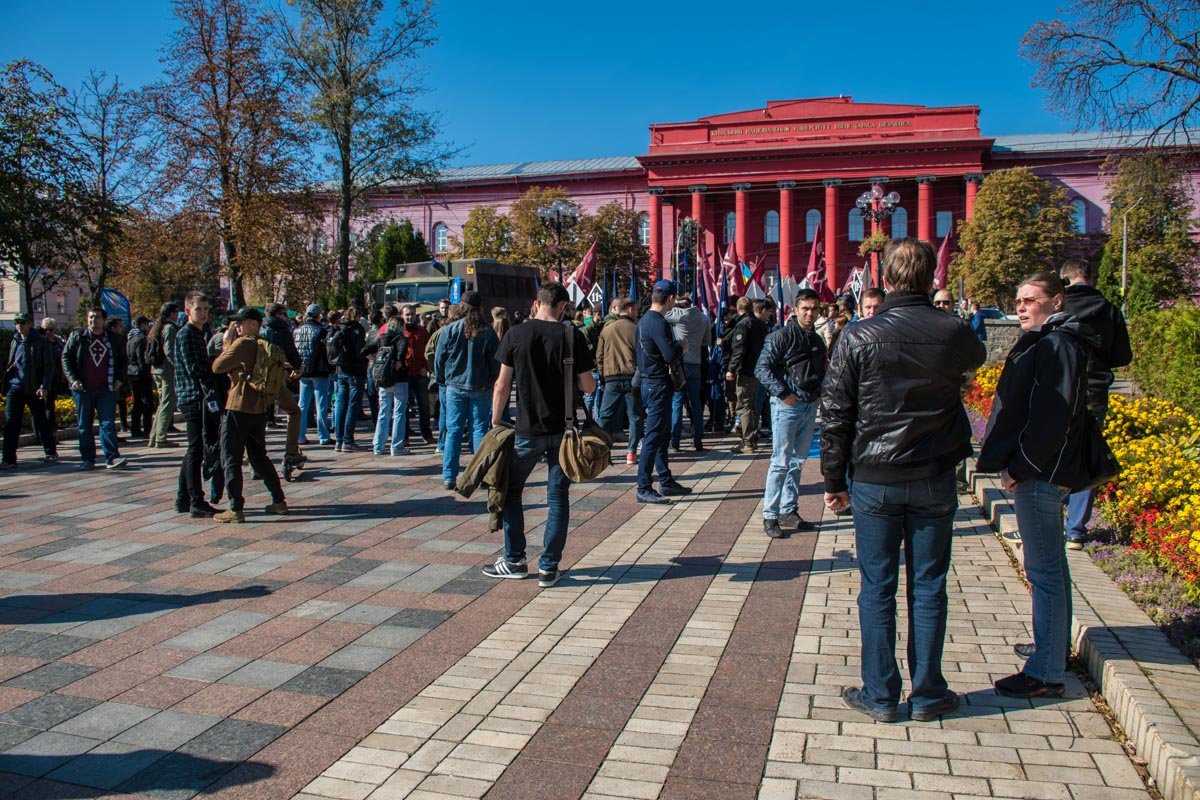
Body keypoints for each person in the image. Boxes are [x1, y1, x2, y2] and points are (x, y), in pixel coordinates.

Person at [821, 238, 986, 723]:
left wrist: (833, 479)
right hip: (933, 472)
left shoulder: (858, 335)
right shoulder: (953, 331)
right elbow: (975, 359)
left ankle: (880, 695)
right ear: (932, 278)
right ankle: (928, 694)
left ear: (887, 280)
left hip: (876, 476)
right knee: (929, 585)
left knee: (877, 587)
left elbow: (836, 413)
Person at [977, 271, 1097, 699]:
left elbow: (1050, 418)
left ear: (1056, 302)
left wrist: (1020, 467)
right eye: (1018, 300)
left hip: (1042, 475)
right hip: (1043, 471)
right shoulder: (1050, 341)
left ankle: (1046, 672)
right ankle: (1052, 650)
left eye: (1031, 299)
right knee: (1051, 567)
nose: (1021, 306)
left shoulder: (1056, 344)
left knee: (1043, 570)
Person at [483, 282, 595, 587]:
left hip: (527, 428)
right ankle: (548, 567)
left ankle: (515, 560)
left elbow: (501, 385)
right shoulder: (572, 336)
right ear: (562, 306)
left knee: (511, 490)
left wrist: (496, 418)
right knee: (557, 497)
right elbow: (588, 386)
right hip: (564, 430)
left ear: (537, 302)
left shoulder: (515, 334)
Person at [1061, 258, 1132, 549]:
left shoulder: (1057, 306)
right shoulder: (1110, 310)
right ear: (1091, 278)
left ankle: (1047, 519)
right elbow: (1123, 356)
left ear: (1064, 278)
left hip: (1059, 391)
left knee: (1051, 453)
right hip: (1094, 392)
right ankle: (1075, 531)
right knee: (1087, 454)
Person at [755, 289, 826, 538]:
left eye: (814, 309)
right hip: (786, 405)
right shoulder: (781, 336)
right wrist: (783, 392)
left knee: (797, 461)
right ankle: (770, 514)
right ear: (795, 310)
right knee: (781, 462)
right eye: (805, 308)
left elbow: (820, 371)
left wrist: (818, 393)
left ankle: (788, 509)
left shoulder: (817, 340)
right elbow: (762, 368)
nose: (809, 313)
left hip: (808, 404)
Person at [211, 307, 289, 523]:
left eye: (241, 322)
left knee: (231, 457)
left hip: (238, 406)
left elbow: (217, 366)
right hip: (258, 408)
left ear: (254, 324)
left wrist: (228, 342)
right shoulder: (264, 345)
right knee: (259, 457)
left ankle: (235, 508)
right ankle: (279, 500)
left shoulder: (243, 343)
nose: (237, 325)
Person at [435, 292, 500, 490]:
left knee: (453, 431)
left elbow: (439, 358)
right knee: (479, 430)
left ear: (461, 306)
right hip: (480, 385)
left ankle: (449, 476)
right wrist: (492, 380)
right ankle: (479, 475)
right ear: (480, 308)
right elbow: (495, 362)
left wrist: (442, 379)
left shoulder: (450, 329)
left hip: (455, 385)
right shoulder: (487, 331)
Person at [635, 280, 692, 505]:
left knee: (661, 435)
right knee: (653, 437)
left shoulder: (643, 320)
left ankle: (665, 480)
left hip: (650, 382)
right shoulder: (657, 321)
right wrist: (682, 347)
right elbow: (669, 354)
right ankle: (643, 486)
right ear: (670, 298)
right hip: (657, 383)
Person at [62, 307, 129, 471]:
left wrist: (120, 379)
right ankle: (87, 459)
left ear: (104, 320)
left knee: (107, 423)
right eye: (91, 317)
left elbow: (123, 360)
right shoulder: (78, 336)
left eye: (97, 317)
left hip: (106, 387)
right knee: (84, 424)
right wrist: (73, 379)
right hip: (83, 389)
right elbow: (66, 357)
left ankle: (112, 458)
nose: (93, 320)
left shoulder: (113, 338)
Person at [173, 291, 219, 515]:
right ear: (187, 311)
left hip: (196, 395)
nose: (203, 314)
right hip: (192, 396)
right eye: (198, 309)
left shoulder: (200, 333)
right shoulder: (187, 334)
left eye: (205, 309)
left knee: (194, 448)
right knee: (196, 450)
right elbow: (195, 368)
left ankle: (183, 498)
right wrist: (216, 367)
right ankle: (196, 500)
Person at [2, 313, 58, 469]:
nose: (19, 325)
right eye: (16, 322)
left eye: (22, 322)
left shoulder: (41, 342)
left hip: (34, 388)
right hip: (15, 387)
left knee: (42, 421)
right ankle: (8, 459)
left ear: (30, 324)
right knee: (11, 423)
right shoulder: (15, 340)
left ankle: (50, 452)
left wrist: (44, 386)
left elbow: (48, 367)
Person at [595, 297, 641, 466]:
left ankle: (602, 451)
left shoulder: (607, 330)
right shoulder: (636, 329)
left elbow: (599, 356)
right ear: (630, 310)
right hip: (632, 378)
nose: (637, 313)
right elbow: (642, 355)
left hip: (611, 378)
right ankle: (631, 452)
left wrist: (602, 375)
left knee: (605, 416)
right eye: (636, 310)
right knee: (635, 417)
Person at [665, 293, 712, 453]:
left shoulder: (677, 315)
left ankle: (675, 441)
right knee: (696, 402)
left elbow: (661, 313)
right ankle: (697, 439)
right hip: (696, 362)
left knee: (677, 402)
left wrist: (675, 303)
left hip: (680, 363)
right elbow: (706, 342)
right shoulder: (704, 318)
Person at [262, 303, 305, 477]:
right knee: (294, 412)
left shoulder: (259, 329)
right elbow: (291, 350)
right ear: (278, 315)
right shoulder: (281, 330)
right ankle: (291, 452)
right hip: (275, 379)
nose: (287, 318)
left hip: (258, 380)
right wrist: (297, 367)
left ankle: (254, 458)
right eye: (284, 314)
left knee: (257, 417)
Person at [365, 306, 411, 456]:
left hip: (383, 378)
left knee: (383, 412)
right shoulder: (401, 338)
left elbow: (363, 350)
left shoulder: (381, 338)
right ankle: (396, 446)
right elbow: (402, 350)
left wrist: (374, 359)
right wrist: (399, 361)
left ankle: (378, 445)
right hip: (399, 378)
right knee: (399, 412)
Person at [726, 296, 769, 454]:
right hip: (757, 369)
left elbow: (739, 349)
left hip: (745, 370)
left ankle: (748, 442)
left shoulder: (743, 324)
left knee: (744, 406)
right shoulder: (761, 324)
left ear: (739, 309)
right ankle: (752, 438)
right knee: (751, 405)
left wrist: (731, 369)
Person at [426, 304, 465, 453]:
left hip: (446, 378)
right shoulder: (462, 330)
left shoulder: (443, 331)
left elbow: (430, 353)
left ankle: (443, 444)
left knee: (446, 412)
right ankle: (445, 443)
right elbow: (430, 353)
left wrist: (437, 373)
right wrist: (437, 373)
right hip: (454, 378)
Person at [295, 304, 333, 446]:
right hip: (319, 370)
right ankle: (323, 436)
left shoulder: (297, 330)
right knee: (321, 405)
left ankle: (300, 435)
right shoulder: (321, 331)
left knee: (303, 404)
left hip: (303, 369)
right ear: (318, 315)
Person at [330, 307, 368, 452]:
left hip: (341, 370)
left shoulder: (340, 329)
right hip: (355, 371)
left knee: (341, 404)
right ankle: (347, 440)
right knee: (353, 406)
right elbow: (359, 352)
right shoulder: (358, 330)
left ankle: (339, 440)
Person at [397, 304, 434, 447]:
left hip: (420, 373)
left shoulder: (422, 331)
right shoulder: (399, 332)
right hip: (404, 374)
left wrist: (426, 367)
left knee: (424, 405)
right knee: (404, 406)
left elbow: (429, 351)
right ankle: (404, 436)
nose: (409, 317)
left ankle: (427, 434)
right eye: (407, 314)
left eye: (412, 314)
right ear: (402, 316)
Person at [148, 302, 181, 447]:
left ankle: (154, 436)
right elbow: (170, 351)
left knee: (162, 403)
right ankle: (160, 438)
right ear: (172, 313)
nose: (178, 315)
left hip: (157, 369)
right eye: (176, 312)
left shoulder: (159, 327)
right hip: (167, 371)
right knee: (168, 403)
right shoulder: (170, 328)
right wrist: (178, 367)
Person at [126, 316, 155, 440]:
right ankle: (147, 429)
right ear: (142, 325)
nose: (148, 327)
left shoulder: (130, 338)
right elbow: (141, 359)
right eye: (147, 324)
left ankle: (135, 428)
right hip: (141, 374)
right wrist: (147, 373)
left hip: (132, 373)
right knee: (147, 402)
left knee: (137, 402)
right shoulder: (141, 339)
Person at [38, 317, 65, 442]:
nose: (48, 332)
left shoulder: (58, 341)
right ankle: (43, 436)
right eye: (45, 330)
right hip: (41, 378)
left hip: (55, 377)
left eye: (51, 329)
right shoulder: (39, 342)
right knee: (41, 407)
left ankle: (51, 435)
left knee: (50, 406)